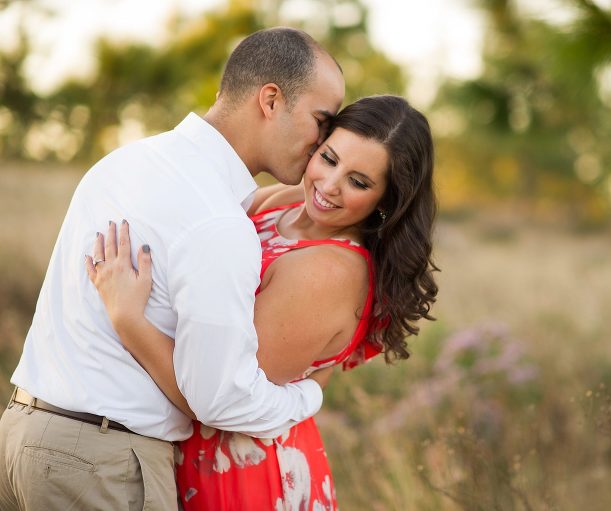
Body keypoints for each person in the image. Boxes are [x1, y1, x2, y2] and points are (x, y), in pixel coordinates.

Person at [0, 27, 345, 510]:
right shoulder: (217, 220)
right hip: (103, 463)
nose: (322, 141)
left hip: (22, 434)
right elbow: (221, 400)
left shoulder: (127, 161)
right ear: (270, 100)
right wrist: (309, 396)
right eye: (321, 120)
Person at [85, 95, 439, 510]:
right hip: (180, 450)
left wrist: (129, 318)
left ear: (386, 201)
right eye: (328, 158)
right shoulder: (285, 201)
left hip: (240, 472)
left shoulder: (331, 271)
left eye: (358, 182)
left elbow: (217, 398)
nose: (329, 185)